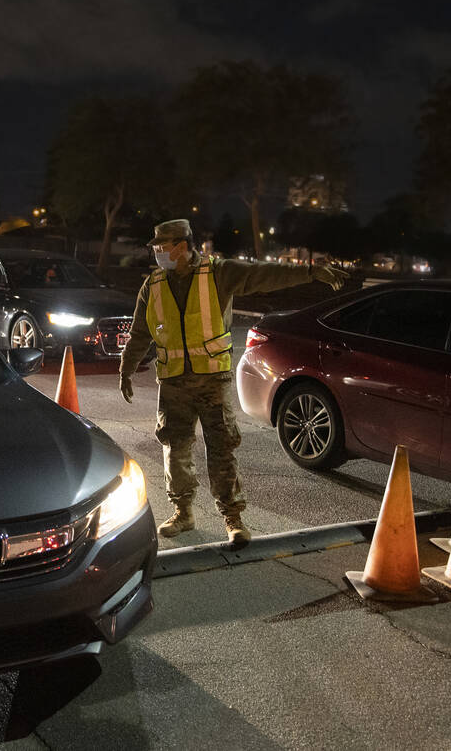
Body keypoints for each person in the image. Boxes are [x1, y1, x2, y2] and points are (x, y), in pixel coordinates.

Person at [118, 218, 347, 547]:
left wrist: (310, 272)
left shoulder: (217, 273)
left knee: (222, 449)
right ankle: (183, 513)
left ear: (182, 246)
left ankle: (232, 518)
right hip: (173, 383)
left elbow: (264, 276)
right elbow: (141, 332)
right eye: (155, 248)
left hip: (212, 381)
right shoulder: (152, 284)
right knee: (175, 448)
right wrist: (126, 368)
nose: (157, 253)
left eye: (162, 247)